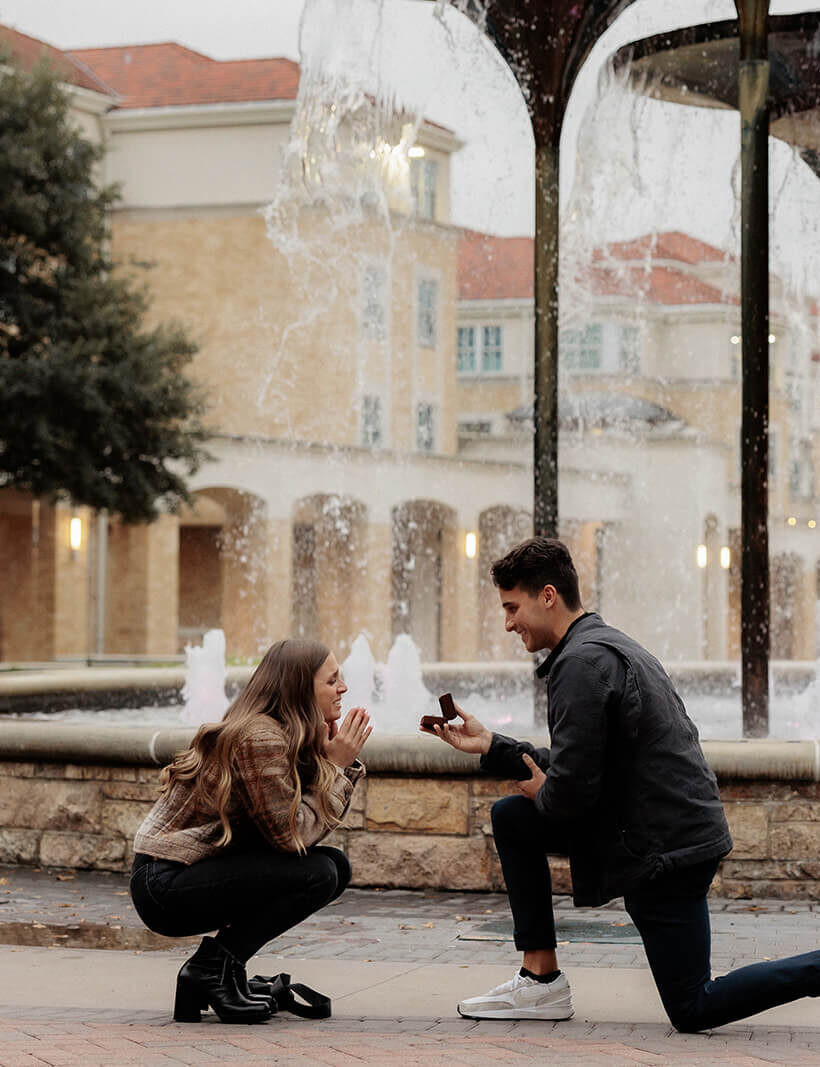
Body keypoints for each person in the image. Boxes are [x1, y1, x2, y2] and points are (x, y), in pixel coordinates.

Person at [427, 536, 820, 1031]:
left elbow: (569, 792)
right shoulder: (602, 645)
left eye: (512, 607)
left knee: (695, 1006)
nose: (508, 623)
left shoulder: (580, 665)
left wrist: (543, 793)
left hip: (664, 851)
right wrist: (491, 746)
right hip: (672, 835)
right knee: (513, 817)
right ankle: (541, 980)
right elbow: (584, 761)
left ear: (548, 596)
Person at [130, 638, 371, 1024]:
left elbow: (295, 837)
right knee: (320, 873)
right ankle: (211, 968)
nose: (342, 688)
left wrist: (327, 764)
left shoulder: (280, 733)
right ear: (300, 688)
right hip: (163, 884)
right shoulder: (260, 737)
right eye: (332, 680)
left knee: (333, 866)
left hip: (189, 873)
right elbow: (290, 837)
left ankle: (220, 968)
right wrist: (336, 768)